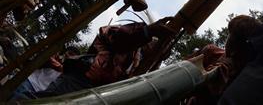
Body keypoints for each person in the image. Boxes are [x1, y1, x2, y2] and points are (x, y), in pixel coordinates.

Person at [37, 19, 177, 96]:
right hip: (79, 79)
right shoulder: (125, 36)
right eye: (159, 44)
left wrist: (157, 60)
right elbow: (119, 37)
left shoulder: (138, 62)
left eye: (164, 49)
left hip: (96, 94)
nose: (158, 47)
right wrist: (147, 31)